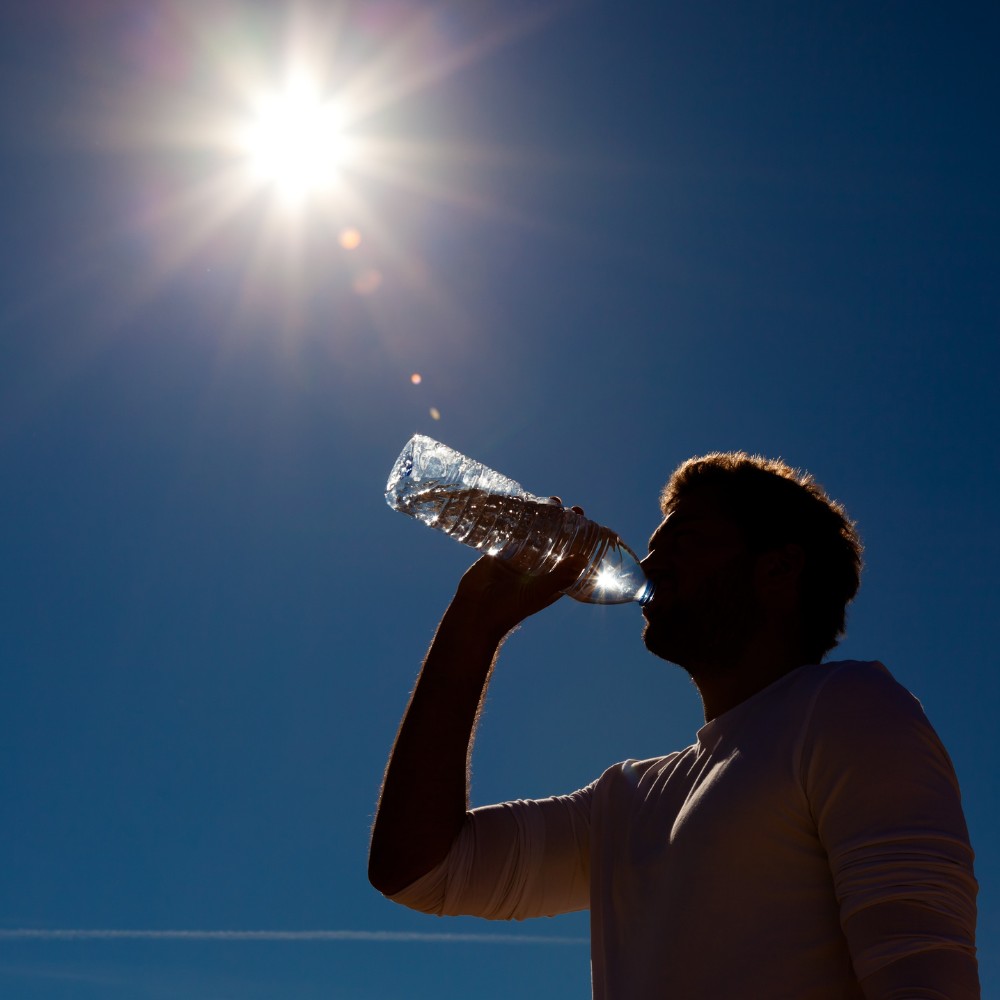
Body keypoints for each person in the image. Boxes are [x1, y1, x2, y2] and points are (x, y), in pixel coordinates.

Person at [368, 452, 979, 998]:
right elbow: (419, 870)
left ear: (778, 569)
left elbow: (922, 974)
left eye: (684, 541)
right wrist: (475, 620)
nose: (650, 563)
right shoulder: (625, 799)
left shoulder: (848, 706)